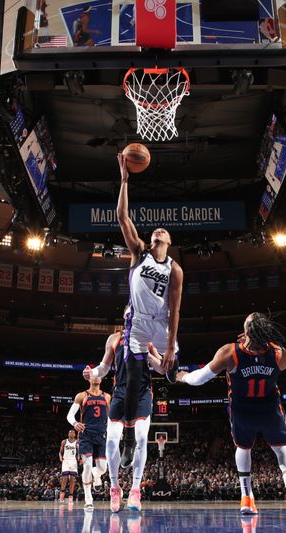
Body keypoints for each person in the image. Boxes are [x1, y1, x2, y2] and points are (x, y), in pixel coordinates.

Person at [158, 312, 286, 516]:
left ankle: (246, 498)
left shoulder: (230, 352)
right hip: (268, 407)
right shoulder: (279, 353)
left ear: (246, 332)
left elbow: (199, 379)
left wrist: (181, 376)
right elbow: (282, 366)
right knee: (282, 449)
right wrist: (260, 343)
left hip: (242, 409)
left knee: (243, 449)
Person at [116, 151, 183, 478]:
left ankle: (169, 368)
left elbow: (176, 308)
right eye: (155, 231)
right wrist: (125, 181)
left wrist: (170, 345)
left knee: (171, 367)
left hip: (162, 326)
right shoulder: (138, 253)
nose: (158, 231)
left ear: (168, 242)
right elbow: (122, 218)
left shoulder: (175, 270)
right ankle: (128, 437)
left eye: (163, 232)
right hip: (138, 325)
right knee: (131, 380)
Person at [83, 323, 165, 512]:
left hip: (142, 393)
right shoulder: (114, 339)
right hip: (120, 393)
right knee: (111, 440)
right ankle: (114, 488)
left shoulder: (147, 338)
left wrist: (149, 355)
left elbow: (160, 369)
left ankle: (136, 490)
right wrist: (91, 373)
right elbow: (104, 368)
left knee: (142, 437)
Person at [67, 377, 111, 510]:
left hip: (101, 434)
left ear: (101, 379)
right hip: (86, 434)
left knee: (103, 468)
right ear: (89, 378)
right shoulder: (82, 395)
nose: (96, 377)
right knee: (86, 465)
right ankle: (88, 499)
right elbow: (70, 415)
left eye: (99, 374)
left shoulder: (107, 396)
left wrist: (114, 430)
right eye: (94, 374)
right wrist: (75, 423)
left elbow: (110, 416)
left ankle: (96, 474)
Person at [58, 429, 79, 503]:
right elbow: (60, 452)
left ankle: (70, 496)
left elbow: (80, 452)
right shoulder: (64, 441)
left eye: (73, 432)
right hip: (66, 461)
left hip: (73, 461)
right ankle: (62, 495)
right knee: (65, 478)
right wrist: (60, 457)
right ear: (68, 434)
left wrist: (80, 458)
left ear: (75, 434)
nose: (72, 433)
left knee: (72, 479)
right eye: (70, 432)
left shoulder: (77, 442)